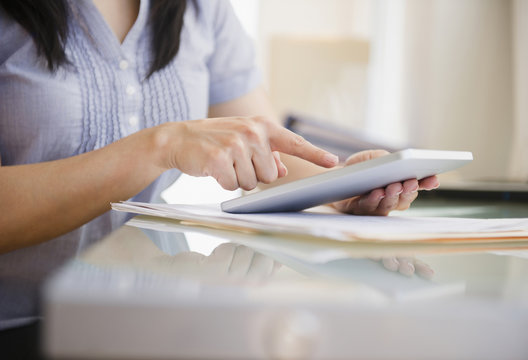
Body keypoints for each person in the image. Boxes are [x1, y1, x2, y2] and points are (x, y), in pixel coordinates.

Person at [0, 0, 438, 349]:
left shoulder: (201, 9)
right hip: (20, 325)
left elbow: (265, 149)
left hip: (153, 323)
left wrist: (341, 185)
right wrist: (160, 146)